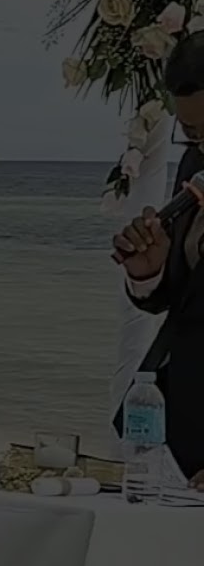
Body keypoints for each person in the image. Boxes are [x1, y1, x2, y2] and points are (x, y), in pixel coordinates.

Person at [112, 31, 204, 489]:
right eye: (192, 134)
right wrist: (149, 272)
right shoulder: (193, 169)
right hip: (181, 432)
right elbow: (184, 299)